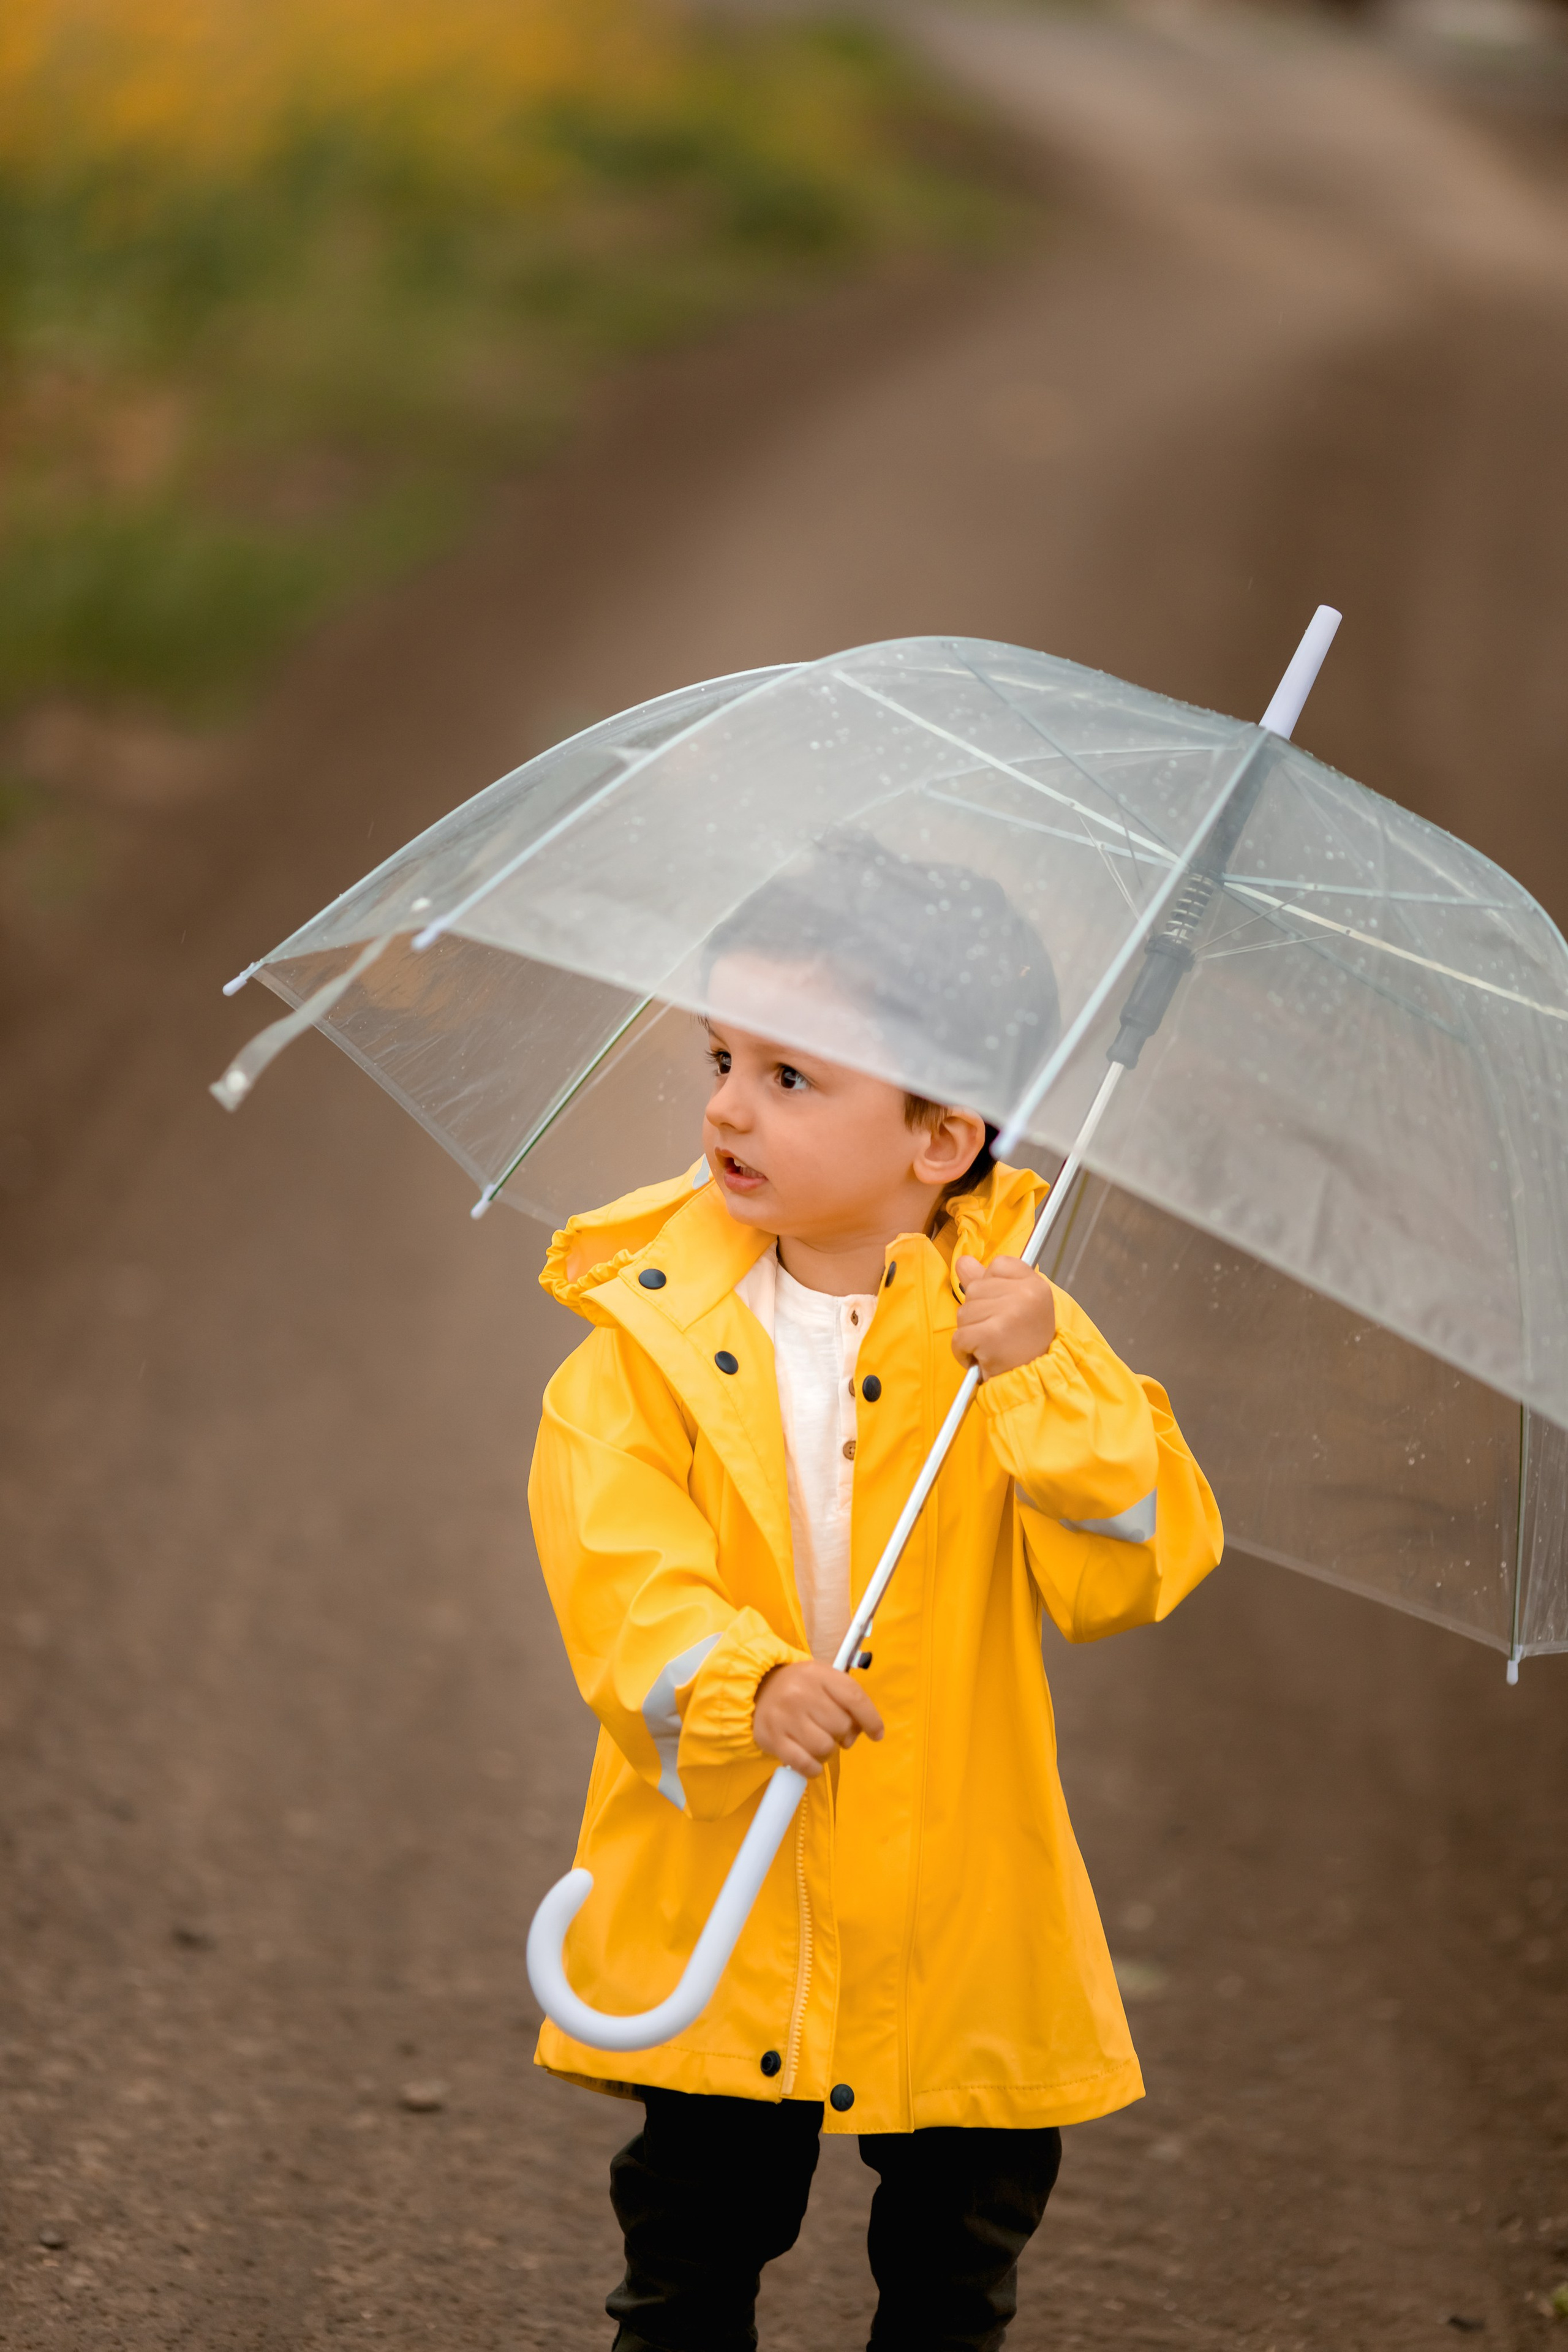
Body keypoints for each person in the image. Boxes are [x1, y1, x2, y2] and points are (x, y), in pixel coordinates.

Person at [528, 839, 1223, 2351]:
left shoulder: (1018, 1336)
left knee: (953, 2270)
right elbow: (620, 1578)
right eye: (723, 1056)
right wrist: (739, 1681)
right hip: (728, 1875)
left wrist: (1048, 1387)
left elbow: (1134, 1564)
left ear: (937, 1139)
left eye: (791, 1077)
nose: (723, 1104)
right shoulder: (636, 1347)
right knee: (692, 2255)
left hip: (959, 1899)